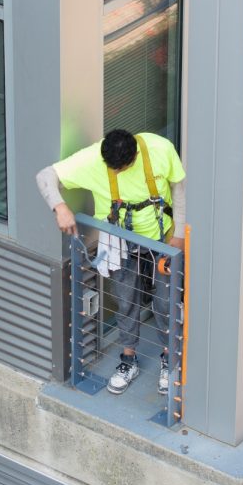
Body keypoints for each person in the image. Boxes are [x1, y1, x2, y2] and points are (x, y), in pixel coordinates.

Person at [36, 129, 186, 395]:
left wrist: (179, 235)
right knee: (126, 301)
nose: (115, 173)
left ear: (135, 156)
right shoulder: (93, 158)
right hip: (120, 244)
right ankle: (129, 359)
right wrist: (60, 207)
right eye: (111, 168)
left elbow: (179, 189)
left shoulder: (159, 149)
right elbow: (45, 176)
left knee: (166, 302)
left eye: (121, 168)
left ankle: (169, 358)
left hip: (162, 240)